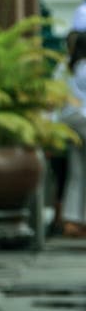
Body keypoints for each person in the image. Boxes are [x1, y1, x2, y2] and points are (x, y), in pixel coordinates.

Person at [60, 31, 86, 237]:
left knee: (77, 172)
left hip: (68, 121)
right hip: (84, 119)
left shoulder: (64, 66)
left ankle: (72, 220)